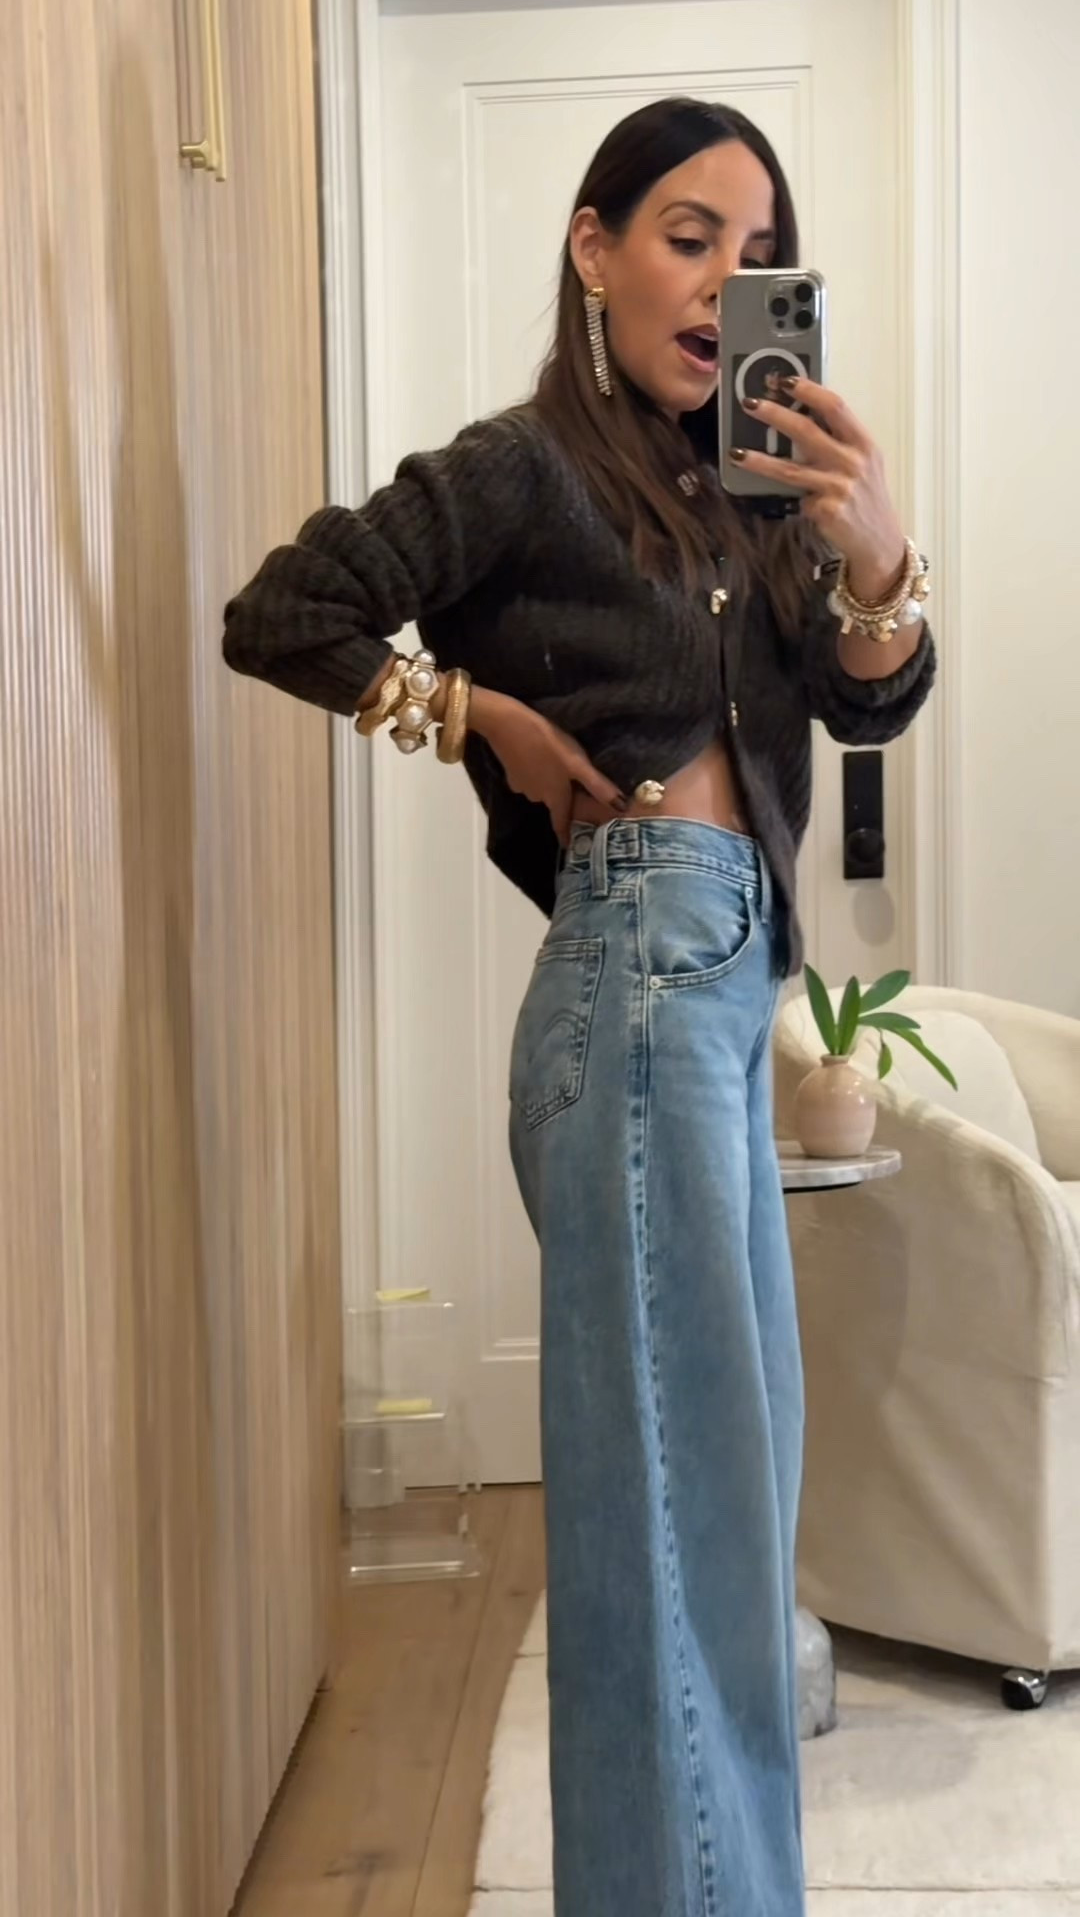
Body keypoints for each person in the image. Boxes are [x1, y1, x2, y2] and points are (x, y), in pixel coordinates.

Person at [224, 96, 934, 1917]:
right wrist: (476, 718)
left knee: (729, 1525)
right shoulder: (524, 469)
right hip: (634, 986)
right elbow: (286, 610)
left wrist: (874, 553)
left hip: (715, 1002)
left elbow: (872, 702)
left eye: (755, 254)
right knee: (672, 1532)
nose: (721, 282)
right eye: (687, 237)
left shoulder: (758, 496)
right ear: (593, 246)